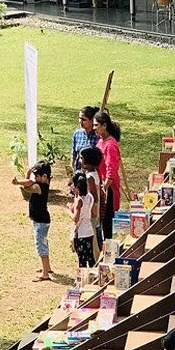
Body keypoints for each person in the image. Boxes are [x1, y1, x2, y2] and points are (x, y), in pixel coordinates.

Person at [11, 160, 53, 281]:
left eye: (37, 176)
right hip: (41, 220)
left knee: (41, 246)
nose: (35, 178)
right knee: (44, 243)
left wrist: (20, 181)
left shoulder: (39, 187)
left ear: (44, 176)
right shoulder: (42, 184)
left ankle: (45, 274)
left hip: (41, 222)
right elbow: (28, 184)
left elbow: (27, 187)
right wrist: (28, 174)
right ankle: (47, 267)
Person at [95, 110, 122, 241]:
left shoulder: (110, 145)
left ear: (104, 125)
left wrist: (105, 188)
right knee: (101, 220)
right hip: (101, 186)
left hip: (109, 188)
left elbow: (111, 170)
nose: (94, 128)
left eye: (96, 125)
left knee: (108, 222)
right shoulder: (100, 141)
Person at [68, 172, 95, 270]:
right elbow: (93, 213)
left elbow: (75, 218)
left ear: (76, 186)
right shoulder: (90, 197)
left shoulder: (79, 200)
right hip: (89, 231)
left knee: (82, 261)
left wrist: (68, 210)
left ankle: (82, 278)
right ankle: (93, 275)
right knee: (91, 258)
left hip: (81, 233)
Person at [79, 145, 104, 248]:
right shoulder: (94, 173)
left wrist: (92, 210)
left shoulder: (89, 177)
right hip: (95, 210)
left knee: (95, 236)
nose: (79, 160)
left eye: (81, 158)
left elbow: (94, 197)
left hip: (92, 211)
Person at [71, 105, 97, 178]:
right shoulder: (77, 133)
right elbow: (74, 156)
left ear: (92, 120)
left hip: (91, 176)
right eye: (79, 118)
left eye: (83, 119)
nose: (80, 121)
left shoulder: (97, 136)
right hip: (78, 175)